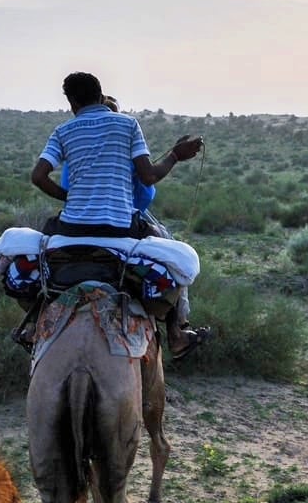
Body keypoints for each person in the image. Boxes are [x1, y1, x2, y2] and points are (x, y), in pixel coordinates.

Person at [26, 72, 210, 358]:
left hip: (71, 228)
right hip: (120, 231)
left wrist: (70, 197)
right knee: (174, 255)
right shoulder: (128, 125)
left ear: (72, 102)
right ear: (101, 96)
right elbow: (148, 177)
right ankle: (176, 333)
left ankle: (30, 326)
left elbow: (38, 177)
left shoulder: (63, 131)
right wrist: (174, 155)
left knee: (39, 259)